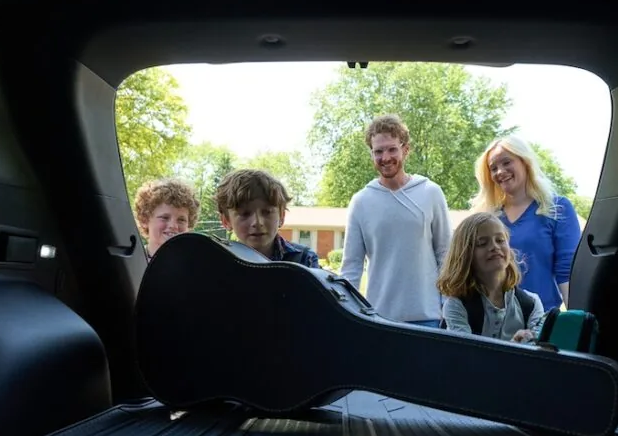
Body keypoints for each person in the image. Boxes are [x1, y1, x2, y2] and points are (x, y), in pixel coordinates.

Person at [340, 114, 451, 327]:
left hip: (428, 316)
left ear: (405, 149)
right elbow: (351, 266)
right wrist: (348, 315)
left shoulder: (431, 193)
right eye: (378, 151)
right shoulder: (361, 201)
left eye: (392, 149)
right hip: (379, 318)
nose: (385, 157)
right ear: (371, 153)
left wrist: (448, 306)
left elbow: (445, 254)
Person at [470, 135, 582, 311]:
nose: (500, 172)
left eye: (506, 163)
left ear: (525, 162)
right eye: (493, 168)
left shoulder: (557, 208)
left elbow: (567, 272)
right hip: (493, 322)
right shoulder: (486, 218)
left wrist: (577, 323)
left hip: (541, 321)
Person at [437, 212, 545, 342]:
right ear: (465, 256)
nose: (494, 247)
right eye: (482, 243)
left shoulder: (531, 304)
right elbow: (465, 356)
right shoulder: (457, 306)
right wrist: (514, 347)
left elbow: (539, 351)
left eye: (500, 240)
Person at [215, 168, 320, 267]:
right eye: (245, 214)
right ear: (226, 221)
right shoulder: (218, 262)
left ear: (281, 216)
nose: (257, 222)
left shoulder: (305, 259)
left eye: (267, 212)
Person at [134, 177, 201, 261]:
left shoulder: (196, 266)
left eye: (181, 220)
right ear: (145, 220)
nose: (173, 226)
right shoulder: (130, 264)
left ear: (189, 224)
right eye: (164, 218)